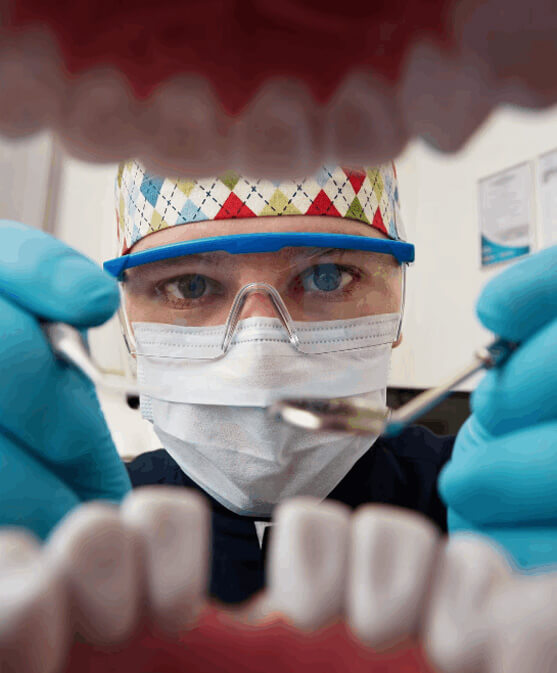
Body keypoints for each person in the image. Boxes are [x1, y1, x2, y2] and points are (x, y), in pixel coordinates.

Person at [0, 160, 555, 609]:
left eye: (327, 277)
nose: (259, 354)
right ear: (127, 325)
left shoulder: (494, 502)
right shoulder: (77, 520)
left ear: (397, 306)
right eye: (190, 286)